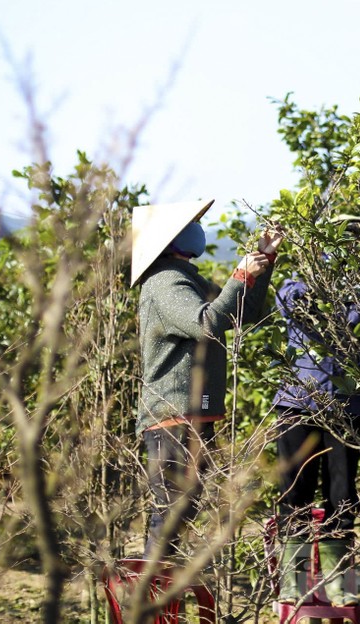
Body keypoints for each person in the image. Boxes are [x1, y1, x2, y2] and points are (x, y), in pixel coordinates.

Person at [130, 199, 282, 560]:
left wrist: (261, 264)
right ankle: (150, 595)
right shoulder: (166, 282)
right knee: (171, 512)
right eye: (190, 224)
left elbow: (241, 312)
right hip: (172, 416)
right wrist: (241, 275)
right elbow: (207, 323)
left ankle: (157, 593)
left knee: (181, 510)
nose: (197, 228)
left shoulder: (187, 278)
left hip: (191, 415)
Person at [272, 217, 360, 606]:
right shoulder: (300, 283)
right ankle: (292, 581)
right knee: (295, 489)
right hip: (299, 401)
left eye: (356, 241)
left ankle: (338, 581)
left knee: (342, 493)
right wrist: (332, 285)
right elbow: (298, 305)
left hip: (347, 403)